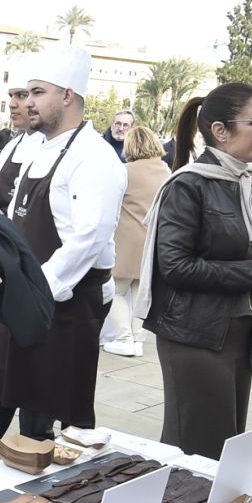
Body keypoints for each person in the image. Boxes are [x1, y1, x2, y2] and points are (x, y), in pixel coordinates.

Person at [140, 83, 252, 458]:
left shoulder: (237, 180)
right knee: (196, 449)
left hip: (236, 331)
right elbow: (177, 267)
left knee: (224, 442)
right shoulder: (189, 185)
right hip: (195, 336)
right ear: (220, 131)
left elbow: (232, 251)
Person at [0, 47, 126, 439]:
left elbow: (87, 239)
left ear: (68, 96)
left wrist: (34, 288)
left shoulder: (94, 158)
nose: (26, 103)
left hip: (66, 307)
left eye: (36, 93)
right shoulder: (38, 149)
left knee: (49, 420)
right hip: (24, 299)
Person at [101, 123, 172, 357]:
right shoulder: (165, 170)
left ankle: (124, 337)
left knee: (115, 291)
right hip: (152, 242)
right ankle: (137, 337)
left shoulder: (124, 171)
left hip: (125, 241)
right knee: (142, 294)